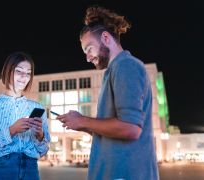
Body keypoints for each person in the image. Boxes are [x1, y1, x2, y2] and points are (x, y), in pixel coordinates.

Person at [57, 5, 159, 180]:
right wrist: (83, 124)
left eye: (89, 49)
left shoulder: (126, 66)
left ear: (105, 38)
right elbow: (114, 131)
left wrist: (83, 120)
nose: (87, 57)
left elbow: (130, 128)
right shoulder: (113, 71)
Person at [0, 51, 50, 180]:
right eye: (19, 71)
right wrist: (11, 130)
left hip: (31, 170)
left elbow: (43, 151)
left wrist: (40, 136)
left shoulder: (38, 107)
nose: (24, 77)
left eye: (28, 73)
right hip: (1, 170)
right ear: (8, 71)